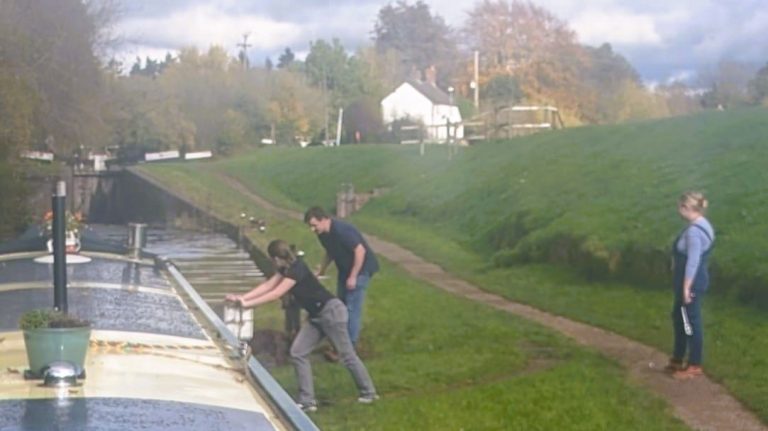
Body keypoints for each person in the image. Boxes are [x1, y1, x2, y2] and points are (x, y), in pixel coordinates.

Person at [226, 239, 377, 412]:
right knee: (298, 352)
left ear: (275, 258)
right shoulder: (286, 269)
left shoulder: (296, 269)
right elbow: (268, 285)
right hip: (316, 316)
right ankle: (307, 401)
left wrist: (248, 304)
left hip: (331, 313)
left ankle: (369, 393)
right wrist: (242, 298)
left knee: (347, 355)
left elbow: (276, 293)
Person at [304, 206, 379, 347]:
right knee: (341, 307)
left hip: (361, 269)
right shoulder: (323, 235)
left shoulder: (342, 230)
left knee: (352, 308)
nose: (312, 230)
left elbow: (360, 251)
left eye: (314, 225)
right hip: (345, 270)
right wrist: (322, 269)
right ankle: (341, 342)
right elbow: (330, 251)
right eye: (310, 226)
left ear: (324, 220)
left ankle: (349, 346)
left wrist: (353, 276)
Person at [665, 191, 715, 379]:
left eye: (680, 207)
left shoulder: (694, 232)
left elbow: (693, 261)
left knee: (691, 320)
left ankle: (694, 363)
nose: (678, 211)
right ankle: (678, 357)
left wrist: (687, 287)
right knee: (679, 316)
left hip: (691, 281)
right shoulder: (703, 225)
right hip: (692, 279)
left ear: (687, 208)